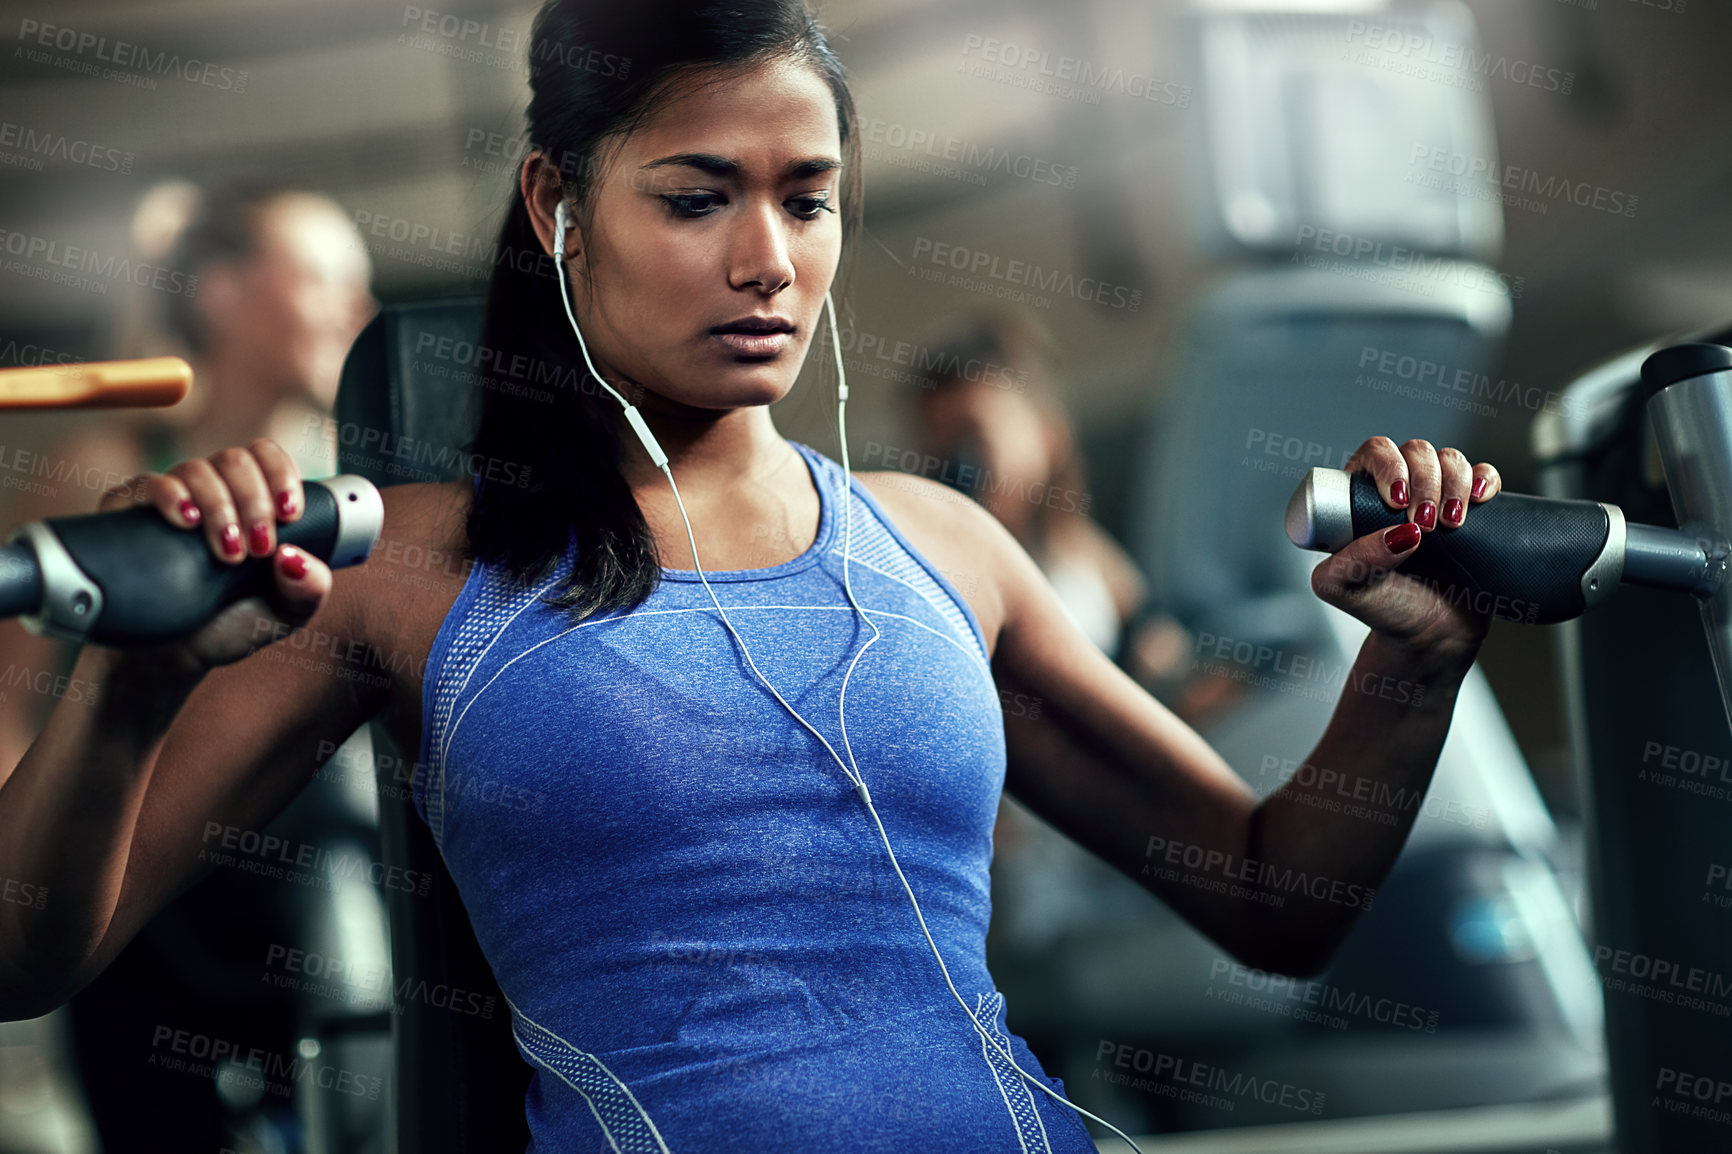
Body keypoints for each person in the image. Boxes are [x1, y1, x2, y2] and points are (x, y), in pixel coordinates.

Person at [0, 1, 1507, 1150]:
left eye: (809, 196)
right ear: (557, 205)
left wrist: (1413, 660)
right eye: (698, 195)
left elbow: (1273, 899)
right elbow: (25, 952)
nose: (770, 258)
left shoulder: (943, 544)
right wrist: (137, 671)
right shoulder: (403, 562)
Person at [0, 181, 376, 1152]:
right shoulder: (103, 462)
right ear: (221, 293)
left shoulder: (365, 486)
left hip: (328, 925)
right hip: (139, 915)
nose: (356, 308)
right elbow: (9, 711)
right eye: (323, 277)